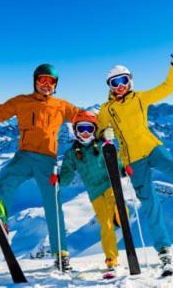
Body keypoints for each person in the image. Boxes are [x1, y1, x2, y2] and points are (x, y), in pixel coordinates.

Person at [0, 64, 81, 271]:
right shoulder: (21, 101)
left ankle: (61, 254)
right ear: (35, 81)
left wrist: (102, 123)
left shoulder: (62, 106)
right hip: (24, 156)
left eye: (51, 81)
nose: (46, 85)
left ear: (56, 85)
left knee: (53, 204)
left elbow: (82, 116)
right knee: (5, 182)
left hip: (47, 161)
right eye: (43, 80)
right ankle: (2, 219)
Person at [97, 46, 173, 275]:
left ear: (130, 81)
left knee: (172, 167)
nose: (119, 86)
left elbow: (166, 88)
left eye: (123, 80)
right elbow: (100, 130)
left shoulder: (140, 99)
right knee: (150, 204)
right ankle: (164, 250)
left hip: (151, 147)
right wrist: (103, 135)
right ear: (109, 87)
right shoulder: (107, 109)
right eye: (114, 83)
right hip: (132, 160)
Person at [57, 111, 120, 279]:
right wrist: (58, 179)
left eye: (89, 129)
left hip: (110, 186)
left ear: (95, 130)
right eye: (81, 129)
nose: (85, 133)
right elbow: (67, 176)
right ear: (75, 131)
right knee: (106, 226)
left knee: (119, 210)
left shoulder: (102, 145)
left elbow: (116, 162)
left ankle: (120, 216)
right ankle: (111, 261)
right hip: (95, 193)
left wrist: (123, 169)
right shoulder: (72, 154)